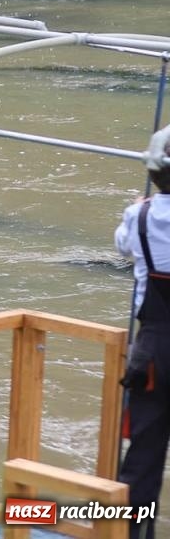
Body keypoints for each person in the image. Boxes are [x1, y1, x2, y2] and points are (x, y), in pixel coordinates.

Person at [117, 123, 170, 538]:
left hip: (151, 357)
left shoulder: (139, 216)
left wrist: (141, 206)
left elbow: (123, 245)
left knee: (144, 459)